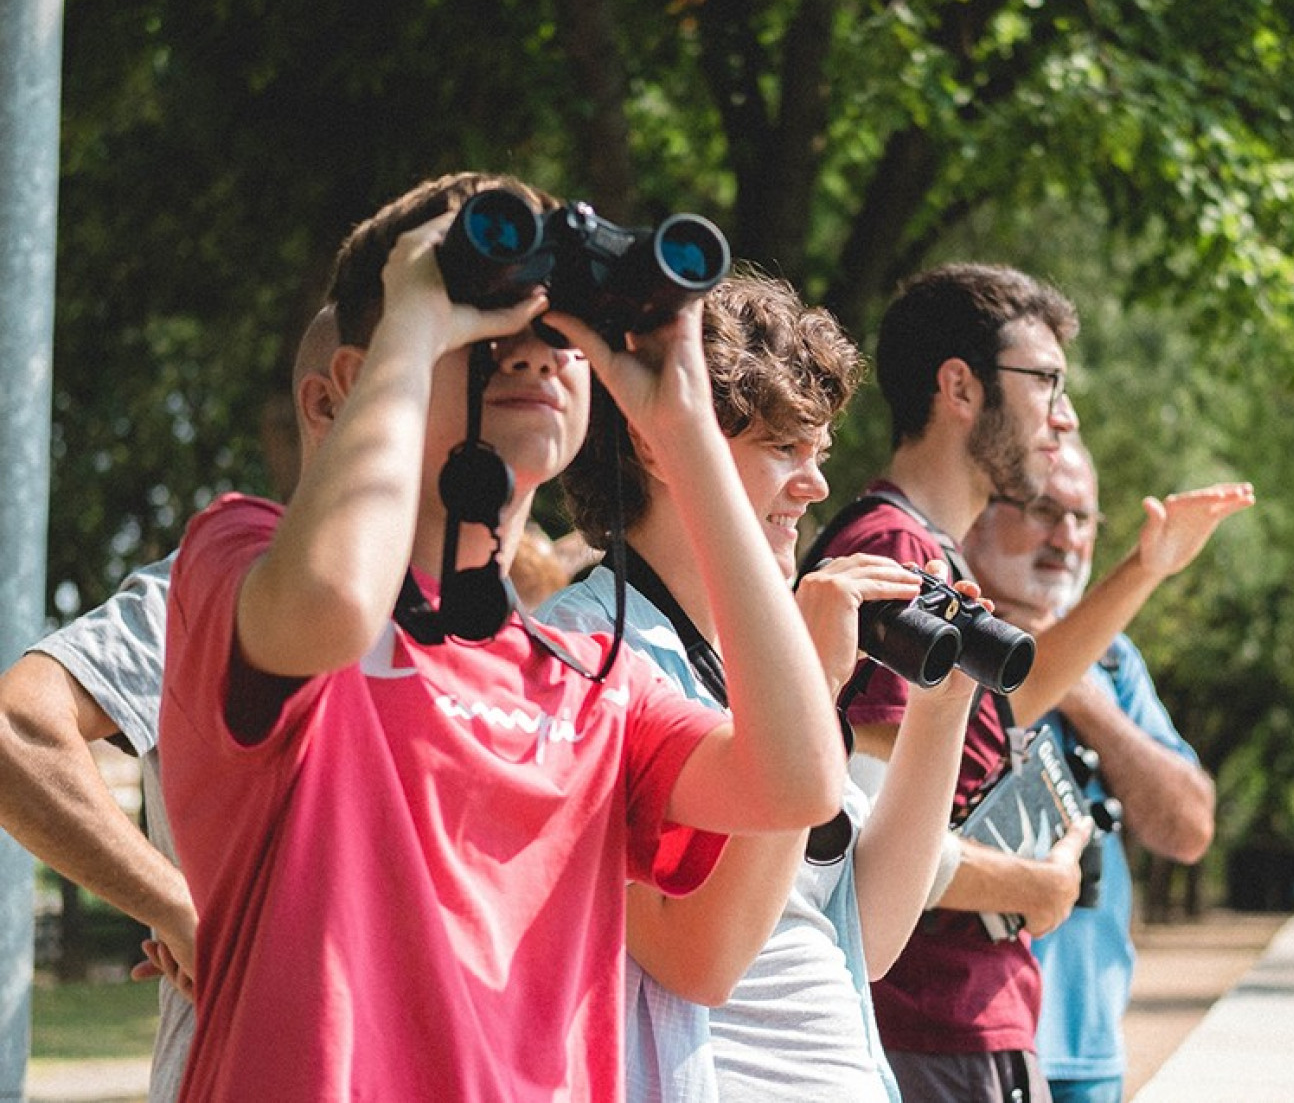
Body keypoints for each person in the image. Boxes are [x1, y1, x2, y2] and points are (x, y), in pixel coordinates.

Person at [156, 172, 845, 1100]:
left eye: (560, 335)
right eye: (481, 328)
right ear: (363, 377)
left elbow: (798, 779)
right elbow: (333, 603)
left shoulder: (590, 678)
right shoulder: (243, 555)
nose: (531, 356)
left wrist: (684, 430)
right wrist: (411, 317)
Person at [542, 272, 994, 1102]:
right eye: (784, 447)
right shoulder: (584, 650)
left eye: (820, 453)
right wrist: (815, 685)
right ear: (659, 444)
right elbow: (698, 960)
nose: (816, 485)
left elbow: (865, 937)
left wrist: (944, 705)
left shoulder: (761, 650)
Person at [807, 262, 1253, 1102]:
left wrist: (1145, 568)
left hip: (965, 1026)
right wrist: (1037, 886)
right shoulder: (895, 550)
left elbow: (1008, 700)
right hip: (929, 1032)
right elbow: (860, 828)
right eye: (1045, 380)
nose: (1065, 414)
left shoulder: (928, 550)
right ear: (960, 388)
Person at [0, 304, 342, 1103]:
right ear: (328, 401)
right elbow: (18, 731)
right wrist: (183, 908)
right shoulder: (214, 585)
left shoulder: (478, 620)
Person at [965, 434, 1219, 1103]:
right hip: (958, 1038)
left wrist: (1077, 690)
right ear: (978, 509)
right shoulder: (933, 639)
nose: (1067, 537)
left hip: (1085, 1050)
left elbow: (1189, 829)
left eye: (1084, 518)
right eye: (1044, 510)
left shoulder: (1111, 658)